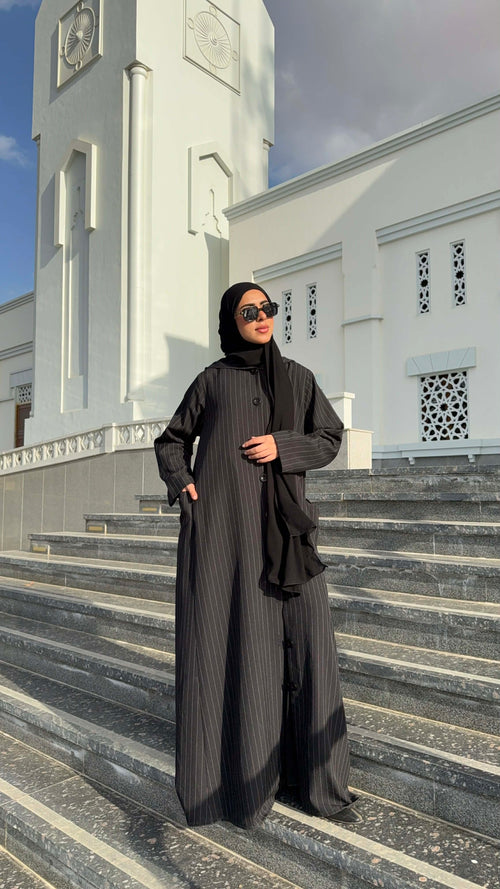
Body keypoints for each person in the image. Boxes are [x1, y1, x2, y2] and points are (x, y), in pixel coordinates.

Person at [154, 282, 359, 829]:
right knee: (238, 646)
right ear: (231, 321)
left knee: (306, 646)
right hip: (226, 537)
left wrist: (282, 445)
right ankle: (238, 783)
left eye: (268, 308)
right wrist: (182, 480)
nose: (262, 317)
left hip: (287, 539)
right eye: (250, 311)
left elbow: (329, 437)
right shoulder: (212, 380)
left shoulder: (298, 378)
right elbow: (171, 440)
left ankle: (313, 779)